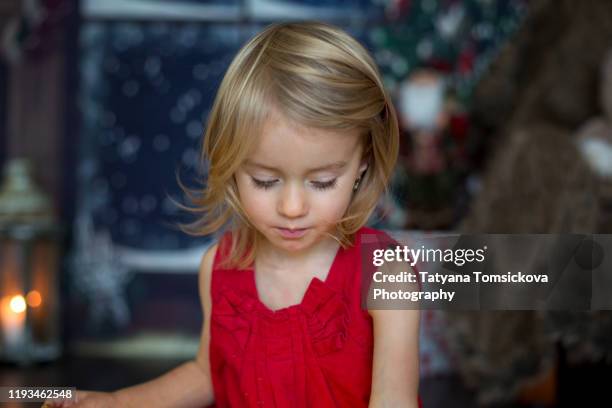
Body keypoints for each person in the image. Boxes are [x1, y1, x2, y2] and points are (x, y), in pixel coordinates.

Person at [44, 21, 421, 408]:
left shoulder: (387, 275)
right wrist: (119, 402)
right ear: (231, 164)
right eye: (264, 180)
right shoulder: (220, 267)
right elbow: (206, 374)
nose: (292, 208)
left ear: (363, 163)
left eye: (322, 182)